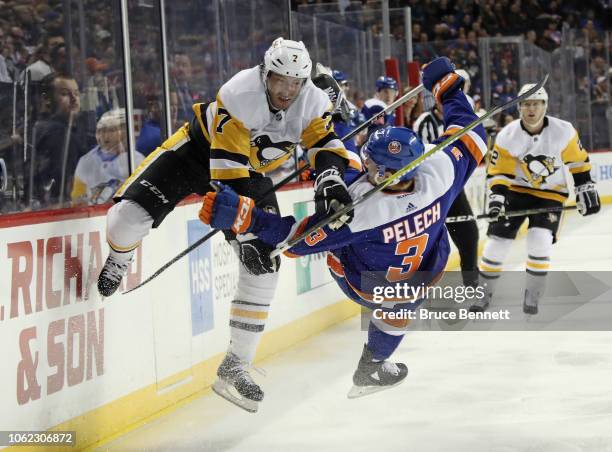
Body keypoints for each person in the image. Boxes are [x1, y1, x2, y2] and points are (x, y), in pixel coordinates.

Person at [97, 37, 361, 412]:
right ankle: (120, 257)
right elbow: (227, 176)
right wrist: (245, 230)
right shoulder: (240, 93)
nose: (286, 91)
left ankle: (236, 364)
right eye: (278, 80)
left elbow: (324, 145)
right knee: (126, 220)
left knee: (265, 263)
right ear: (264, 73)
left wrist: (330, 180)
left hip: (249, 172)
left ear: (305, 83)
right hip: (198, 154)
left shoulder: (315, 101)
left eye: (294, 83)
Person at [200, 57, 487, 398]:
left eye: (372, 164)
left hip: (362, 281)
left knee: (342, 179)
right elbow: (472, 132)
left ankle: (333, 116)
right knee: (403, 301)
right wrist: (449, 87)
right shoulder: (440, 172)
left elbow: (294, 242)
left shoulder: (360, 211)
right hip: (423, 269)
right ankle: (373, 366)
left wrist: (245, 217)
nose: (368, 165)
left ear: (384, 173)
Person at [470, 83, 600, 315]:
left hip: (550, 194)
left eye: (536, 104)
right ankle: (484, 294)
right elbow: (499, 172)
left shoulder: (563, 131)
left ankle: (533, 293)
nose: (531, 109)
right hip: (516, 192)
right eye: (526, 104)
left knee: (538, 240)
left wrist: (584, 187)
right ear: (520, 107)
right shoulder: (508, 134)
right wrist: (498, 199)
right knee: (496, 244)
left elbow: (578, 162)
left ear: (545, 105)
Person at [414, 95, 479, 288]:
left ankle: (472, 283)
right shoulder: (425, 122)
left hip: (453, 188)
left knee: (469, 232)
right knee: (428, 244)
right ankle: (415, 292)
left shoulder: (461, 124)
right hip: (428, 192)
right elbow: (423, 158)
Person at [30, 72, 95, 209]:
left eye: (76, 93)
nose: (74, 99)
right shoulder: (57, 132)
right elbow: (63, 183)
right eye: (65, 93)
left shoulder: (71, 129)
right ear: (47, 99)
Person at [71, 109, 144, 206]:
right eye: (100, 130)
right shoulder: (85, 161)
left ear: (122, 132)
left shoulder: (137, 160)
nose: (104, 135)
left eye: (110, 130)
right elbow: (76, 200)